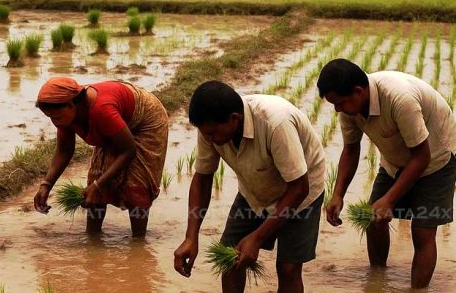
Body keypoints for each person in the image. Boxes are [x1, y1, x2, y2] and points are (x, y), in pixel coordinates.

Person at [174, 81, 325, 293]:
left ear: (233, 119)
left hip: (301, 193)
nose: (209, 139)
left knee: (288, 268)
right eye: (205, 133)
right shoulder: (211, 128)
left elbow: (299, 187)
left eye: (212, 133)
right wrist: (191, 236)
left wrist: (257, 237)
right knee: (229, 258)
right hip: (254, 190)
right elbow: (203, 178)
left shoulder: (275, 123)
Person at [318, 59, 455, 289]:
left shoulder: (400, 99)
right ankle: (377, 279)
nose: (337, 109)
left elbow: (422, 157)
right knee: (374, 220)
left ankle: (417, 290)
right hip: (394, 161)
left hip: (437, 159)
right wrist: (337, 194)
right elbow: (351, 150)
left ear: (358, 92)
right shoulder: (348, 108)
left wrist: (389, 199)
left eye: (339, 103)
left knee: (422, 230)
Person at [33, 77, 168, 237]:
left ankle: (139, 244)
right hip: (116, 121)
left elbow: (128, 150)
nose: (54, 122)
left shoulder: (101, 110)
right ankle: (93, 237)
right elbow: (64, 150)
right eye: (50, 118)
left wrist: (98, 185)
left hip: (145, 122)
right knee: (96, 178)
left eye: (56, 117)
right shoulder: (67, 116)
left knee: (136, 185)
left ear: (71, 105)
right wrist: (46, 185)